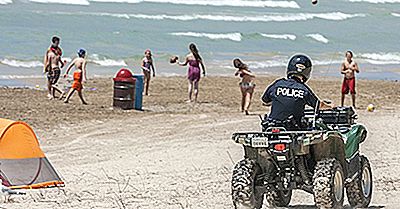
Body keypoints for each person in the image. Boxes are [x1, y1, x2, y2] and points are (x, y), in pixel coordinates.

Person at [261, 54, 332, 128]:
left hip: (272, 126)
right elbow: (318, 106)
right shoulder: (304, 89)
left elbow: (265, 100)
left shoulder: (278, 84)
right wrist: (330, 106)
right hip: (294, 127)